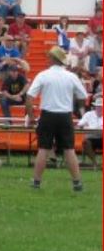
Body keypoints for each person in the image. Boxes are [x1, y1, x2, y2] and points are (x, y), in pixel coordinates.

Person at [26, 46, 88, 191]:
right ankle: (77, 182)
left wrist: (31, 117)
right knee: (69, 149)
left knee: (43, 148)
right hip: (65, 115)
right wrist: (76, 106)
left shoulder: (43, 75)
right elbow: (83, 96)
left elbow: (29, 98)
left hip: (47, 115)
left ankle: (36, 182)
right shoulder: (71, 77)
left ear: (52, 59)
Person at [78, 96, 103, 168]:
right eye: (98, 106)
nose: (99, 108)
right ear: (95, 107)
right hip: (91, 138)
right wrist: (83, 126)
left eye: (101, 106)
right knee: (85, 143)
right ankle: (95, 163)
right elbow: (80, 124)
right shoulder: (89, 114)